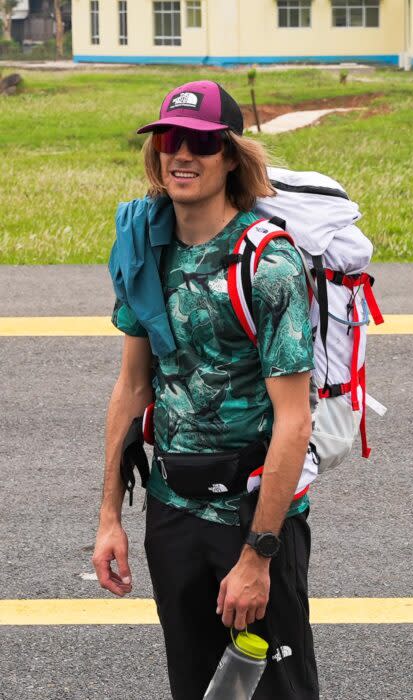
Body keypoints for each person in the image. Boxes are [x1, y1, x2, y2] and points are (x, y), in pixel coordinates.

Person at [92, 80, 320, 699]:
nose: (181, 154)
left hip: (249, 518)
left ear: (231, 155)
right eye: (170, 138)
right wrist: (110, 516)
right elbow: (132, 386)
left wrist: (257, 556)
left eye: (200, 141)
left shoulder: (268, 266)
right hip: (172, 510)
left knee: (274, 692)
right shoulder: (146, 251)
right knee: (195, 687)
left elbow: (294, 422)